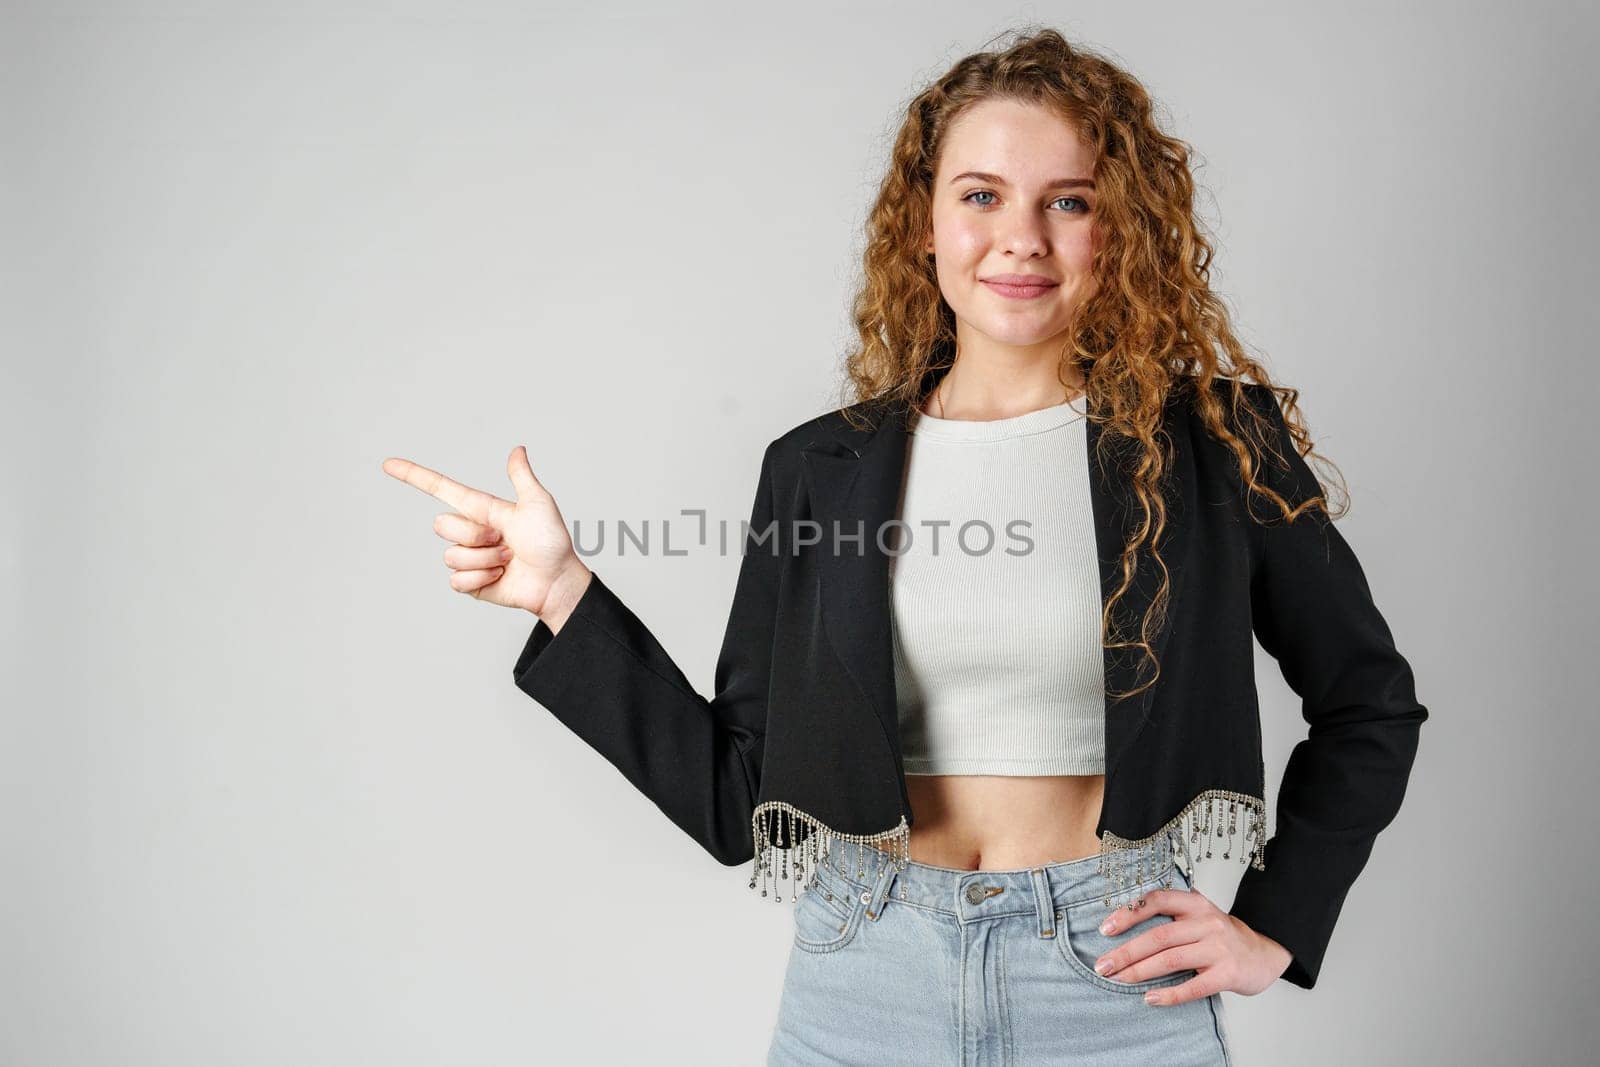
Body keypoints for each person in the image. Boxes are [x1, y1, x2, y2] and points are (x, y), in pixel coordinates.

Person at [382, 27, 1427, 1066]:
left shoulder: (1212, 449)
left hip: (1111, 983)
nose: (1020, 237)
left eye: (1068, 200)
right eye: (980, 195)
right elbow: (744, 801)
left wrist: (1274, 927)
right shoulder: (818, 470)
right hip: (861, 977)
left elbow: (1367, 702)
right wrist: (565, 594)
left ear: (1122, 231)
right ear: (923, 225)